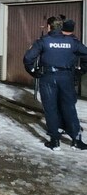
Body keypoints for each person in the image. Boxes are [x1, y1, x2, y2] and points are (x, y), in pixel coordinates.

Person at [23, 15, 87, 151]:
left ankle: (55, 140)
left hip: (48, 78)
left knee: (51, 108)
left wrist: (34, 72)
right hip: (66, 77)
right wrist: (79, 71)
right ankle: (76, 139)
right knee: (69, 107)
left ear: (48, 27)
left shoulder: (43, 41)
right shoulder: (72, 42)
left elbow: (28, 58)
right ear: (61, 27)